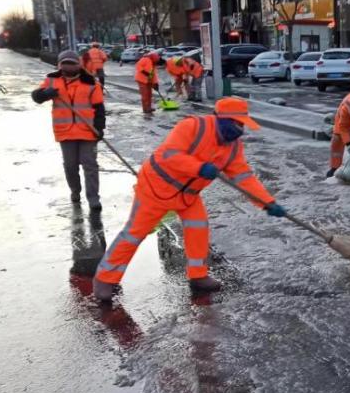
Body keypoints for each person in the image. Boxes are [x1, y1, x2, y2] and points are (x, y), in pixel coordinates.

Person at [93, 97, 287, 301]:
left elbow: (244, 178)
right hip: (155, 189)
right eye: (237, 123)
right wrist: (198, 167)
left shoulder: (233, 147)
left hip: (188, 196)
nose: (240, 129)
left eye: (242, 124)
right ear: (222, 119)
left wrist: (267, 202)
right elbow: (168, 155)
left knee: (198, 227)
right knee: (134, 234)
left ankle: (198, 275)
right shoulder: (193, 127)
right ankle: (105, 279)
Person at [31, 49, 106, 210]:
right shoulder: (52, 80)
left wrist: (100, 128)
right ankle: (75, 191)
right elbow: (36, 97)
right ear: (60, 65)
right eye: (65, 63)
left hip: (88, 130)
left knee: (90, 165)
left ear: (78, 64)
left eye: (71, 63)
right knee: (70, 165)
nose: (68, 66)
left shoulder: (91, 82)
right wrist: (45, 93)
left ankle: (93, 198)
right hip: (65, 131)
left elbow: (99, 108)